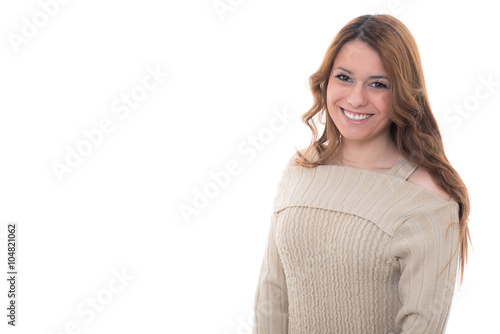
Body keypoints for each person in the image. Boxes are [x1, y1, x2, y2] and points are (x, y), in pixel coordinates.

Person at [252, 14, 471, 334]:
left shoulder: (427, 199)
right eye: (344, 77)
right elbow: (272, 294)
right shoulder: (300, 168)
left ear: (402, 93)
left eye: (378, 84)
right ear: (326, 81)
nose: (356, 98)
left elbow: (421, 325)